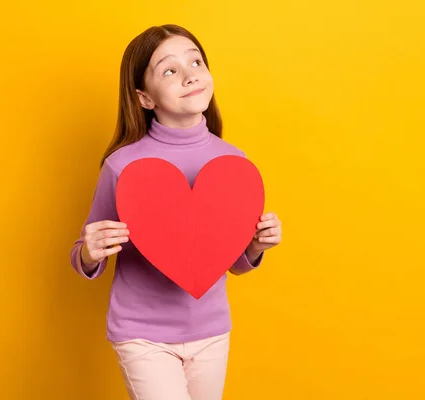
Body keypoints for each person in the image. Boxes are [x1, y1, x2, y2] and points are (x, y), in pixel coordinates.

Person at [68, 24, 282, 400]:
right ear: (144, 98)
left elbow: (231, 261)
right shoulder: (122, 166)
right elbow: (84, 256)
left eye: (195, 61)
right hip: (142, 334)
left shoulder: (234, 163)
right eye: (169, 70)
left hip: (211, 331)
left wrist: (255, 247)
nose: (189, 75)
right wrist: (89, 253)